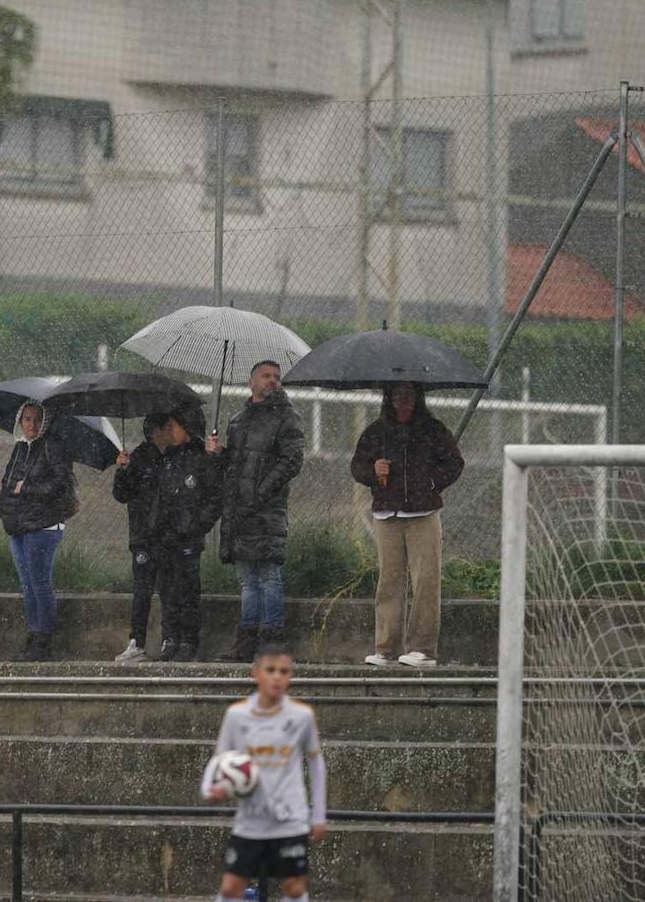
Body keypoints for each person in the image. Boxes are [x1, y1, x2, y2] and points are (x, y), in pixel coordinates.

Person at [351, 382, 465, 668]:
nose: (403, 401)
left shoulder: (433, 430)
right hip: (386, 516)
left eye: (409, 396)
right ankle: (386, 649)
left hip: (423, 515)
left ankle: (423, 649)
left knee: (425, 580)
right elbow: (357, 467)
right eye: (397, 395)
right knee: (389, 581)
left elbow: (454, 463)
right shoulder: (376, 432)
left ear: (418, 398)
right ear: (388, 398)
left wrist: (429, 483)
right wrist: (374, 473)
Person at [202, 643, 327, 902]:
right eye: (270, 670)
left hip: (290, 818)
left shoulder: (302, 716)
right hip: (251, 820)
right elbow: (219, 759)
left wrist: (318, 816)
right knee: (230, 888)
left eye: (284, 671)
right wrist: (210, 790)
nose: (277, 677)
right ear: (255, 673)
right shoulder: (237, 715)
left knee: (294, 887)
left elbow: (316, 764)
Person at [207, 361, 306, 663]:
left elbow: (292, 461)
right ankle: (245, 643)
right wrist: (219, 453)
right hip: (240, 511)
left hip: (266, 512)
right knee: (248, 580)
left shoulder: (287, 418)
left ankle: (270, 644)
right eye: (265, 376)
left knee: (269, 576)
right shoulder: (238, 421)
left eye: (276, 377)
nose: (272, 381)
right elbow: (235, 467)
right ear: (251, 382)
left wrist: (260, 493)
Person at [0, 401, 78, 661]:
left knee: (40, 582)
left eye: (37, 420)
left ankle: (43, 639)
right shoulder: (20, 449)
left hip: (43, 525)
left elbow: (60, 484)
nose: (32, 425)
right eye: (27, 420)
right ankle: (33, 636)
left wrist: (27, 488)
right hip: (19, 524)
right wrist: (5, 511)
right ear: (20, 422)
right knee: (27, 584)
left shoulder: (53, 447)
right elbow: (8, 483)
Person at [150, 411, 223, 662]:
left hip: (188, 539)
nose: (170, 431)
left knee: (187, 590)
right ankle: (169, 638)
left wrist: (196, 525)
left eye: (175, 426)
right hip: (165, 537)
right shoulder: (167, 459)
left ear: (188, 428)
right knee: (167, 590)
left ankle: (188, 641)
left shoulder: (202, 459)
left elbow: (215, 498)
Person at [111, 413, 174, 663]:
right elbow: (121, 495)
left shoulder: (176, 456)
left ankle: (170, 639)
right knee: (142, 591)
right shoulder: (138, 457)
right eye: (166, 427)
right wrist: (122, 471)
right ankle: (136, 642)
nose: (171, 431)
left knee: (169, 589)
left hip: (169, 536)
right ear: (155, 432)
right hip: (143, 537)